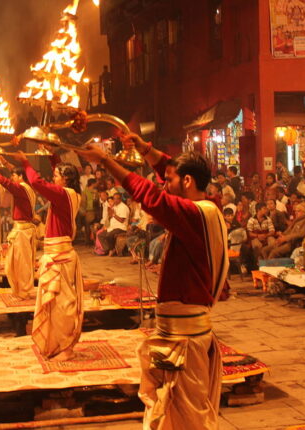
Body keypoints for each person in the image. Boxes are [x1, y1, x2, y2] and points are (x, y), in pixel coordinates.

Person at [76, 134, 227, 430]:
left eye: (168, 179)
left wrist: (107, 161)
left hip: (186, 341)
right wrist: (145, 149)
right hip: (180, 333)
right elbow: (170, 171)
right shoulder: (204, 205)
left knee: (187, 418)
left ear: (186, 182)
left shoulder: (195, 213)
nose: (163, 182)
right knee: (171, 411)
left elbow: (151, 196)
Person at [4, 151, 83, 362]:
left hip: (60, 256)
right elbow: (51, 177)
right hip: (57, 253)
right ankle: (57, 343)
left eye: (56, 175)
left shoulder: (64, 194)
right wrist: (51, 155)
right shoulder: (68, 193)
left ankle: (66, 347)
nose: (54, 178)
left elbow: (38, 183)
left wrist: (26, 162)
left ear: (65, 179)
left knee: (62, 305)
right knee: (54, 304)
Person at [0, 160, 37, 300]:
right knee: (14, 263)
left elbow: (8, 184)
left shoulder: (22, 188)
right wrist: (5, 163)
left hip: (22, 232)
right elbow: (12, 179)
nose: (12, 178)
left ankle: (23, 291)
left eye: (14, 176)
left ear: (20, 177)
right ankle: (20, 290)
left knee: (21, 263)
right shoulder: (25, 188)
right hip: (21, 230)